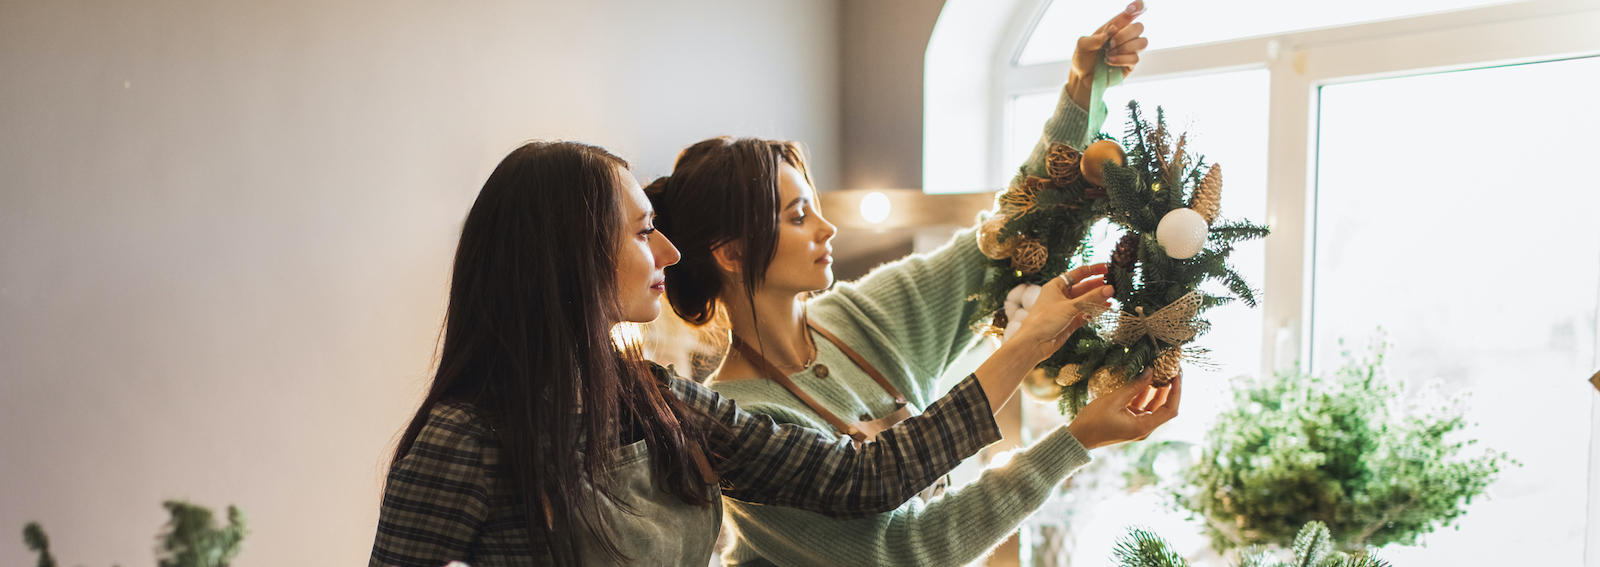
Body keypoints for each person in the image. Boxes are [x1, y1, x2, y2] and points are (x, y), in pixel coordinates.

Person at [367, 140, 1170, 567]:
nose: (668, 251)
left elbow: (868, 481)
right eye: (643, 232)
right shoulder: (464, 440)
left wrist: (1037, 362)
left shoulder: (659, 399)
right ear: (571, 254)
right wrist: (1031, 357)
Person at [645, 4, 1169, 566]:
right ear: (734, 253)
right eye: (798, 217)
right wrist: (1073, 439)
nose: (828, 228)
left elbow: (1001, 243)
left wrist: (1079, 92)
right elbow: (907, 551)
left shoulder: (858, 317)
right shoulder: (741, 421)